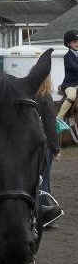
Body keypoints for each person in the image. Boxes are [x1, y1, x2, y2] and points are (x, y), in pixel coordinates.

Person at [35, 75, 63, 228]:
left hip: (28, 145)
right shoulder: (46, 98)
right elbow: (51, 126)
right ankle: (46, 216)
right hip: (43, 144)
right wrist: (56, 149)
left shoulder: (28, 96)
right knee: (44, 180)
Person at [57, 29, 78, 122]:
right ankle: (59, 118)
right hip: (70, 85)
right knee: (72, 96)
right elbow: (75, 68)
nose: (77, 43)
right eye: (74, 42)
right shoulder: (67, 57)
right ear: (68, 44)